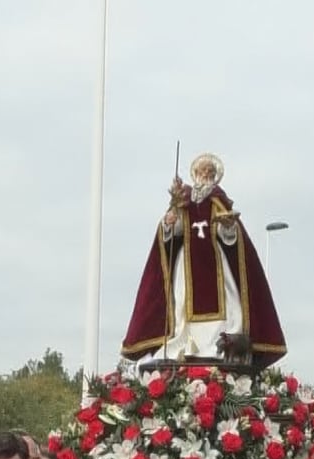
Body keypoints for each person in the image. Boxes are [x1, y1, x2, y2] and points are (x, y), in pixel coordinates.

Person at [120, 152, 287, 366]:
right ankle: (184, 345)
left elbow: (231, 240)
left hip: (216, 265)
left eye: (210, 172)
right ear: (195, 174)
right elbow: (174, 231)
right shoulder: (183, 201)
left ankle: (220, 348)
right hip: (187, 267)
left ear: (215, 176)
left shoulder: (220, 201)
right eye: (202, 171)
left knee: (228, 303)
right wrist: (169, 223)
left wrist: (228, 227)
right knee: (181, 302)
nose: (205, 175)